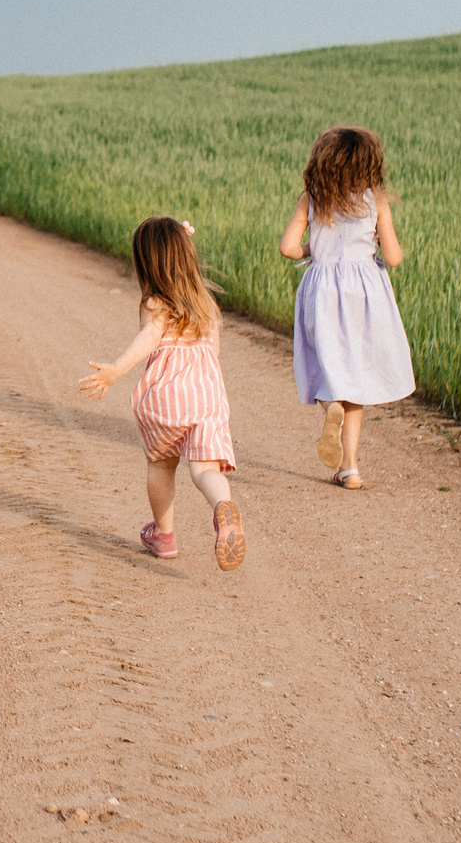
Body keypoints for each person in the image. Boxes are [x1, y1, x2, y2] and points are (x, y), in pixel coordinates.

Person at [78, 217, 245, 571]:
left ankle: (164, 536)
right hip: (206, 393)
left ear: (147, 263)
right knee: (204, 469)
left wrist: (115, 370)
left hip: (167, 396)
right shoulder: (206, 304)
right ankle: (221, 508)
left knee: (161, 464)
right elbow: (213, 352)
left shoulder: (155, 303)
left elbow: (148, 340)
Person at [279, 125, 415, 489]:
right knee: (355, 376)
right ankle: (350, 468)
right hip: (364, 295)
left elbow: (289, 248)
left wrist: (314, 249)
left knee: (327, 366)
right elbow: (394, 256)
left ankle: (330, 408)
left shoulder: (312, 198)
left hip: (321, 291)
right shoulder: (377, 202)